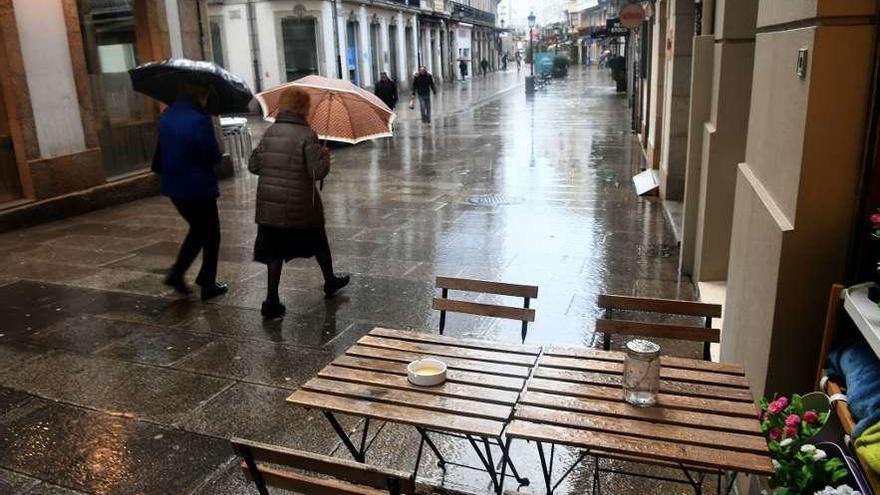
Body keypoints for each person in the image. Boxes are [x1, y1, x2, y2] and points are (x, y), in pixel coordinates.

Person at [248, 87, 350, 319]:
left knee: (274, 253)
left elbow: (254, 166)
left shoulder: (270, 132)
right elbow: (316, 172)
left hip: (270, 208)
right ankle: (330, 280)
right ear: (303, 108)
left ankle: (271, 299)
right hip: (299, 207)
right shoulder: (307, 134)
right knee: (319, 243)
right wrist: (324, 158)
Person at [159, 80, 227, 301]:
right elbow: (214, 155)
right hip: (198, 186)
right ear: (200, 92)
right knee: (210, 233)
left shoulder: (167, 115)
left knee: (199, 230)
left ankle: (184, 275)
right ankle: (202, 282)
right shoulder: (200, 119)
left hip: (174, 186)